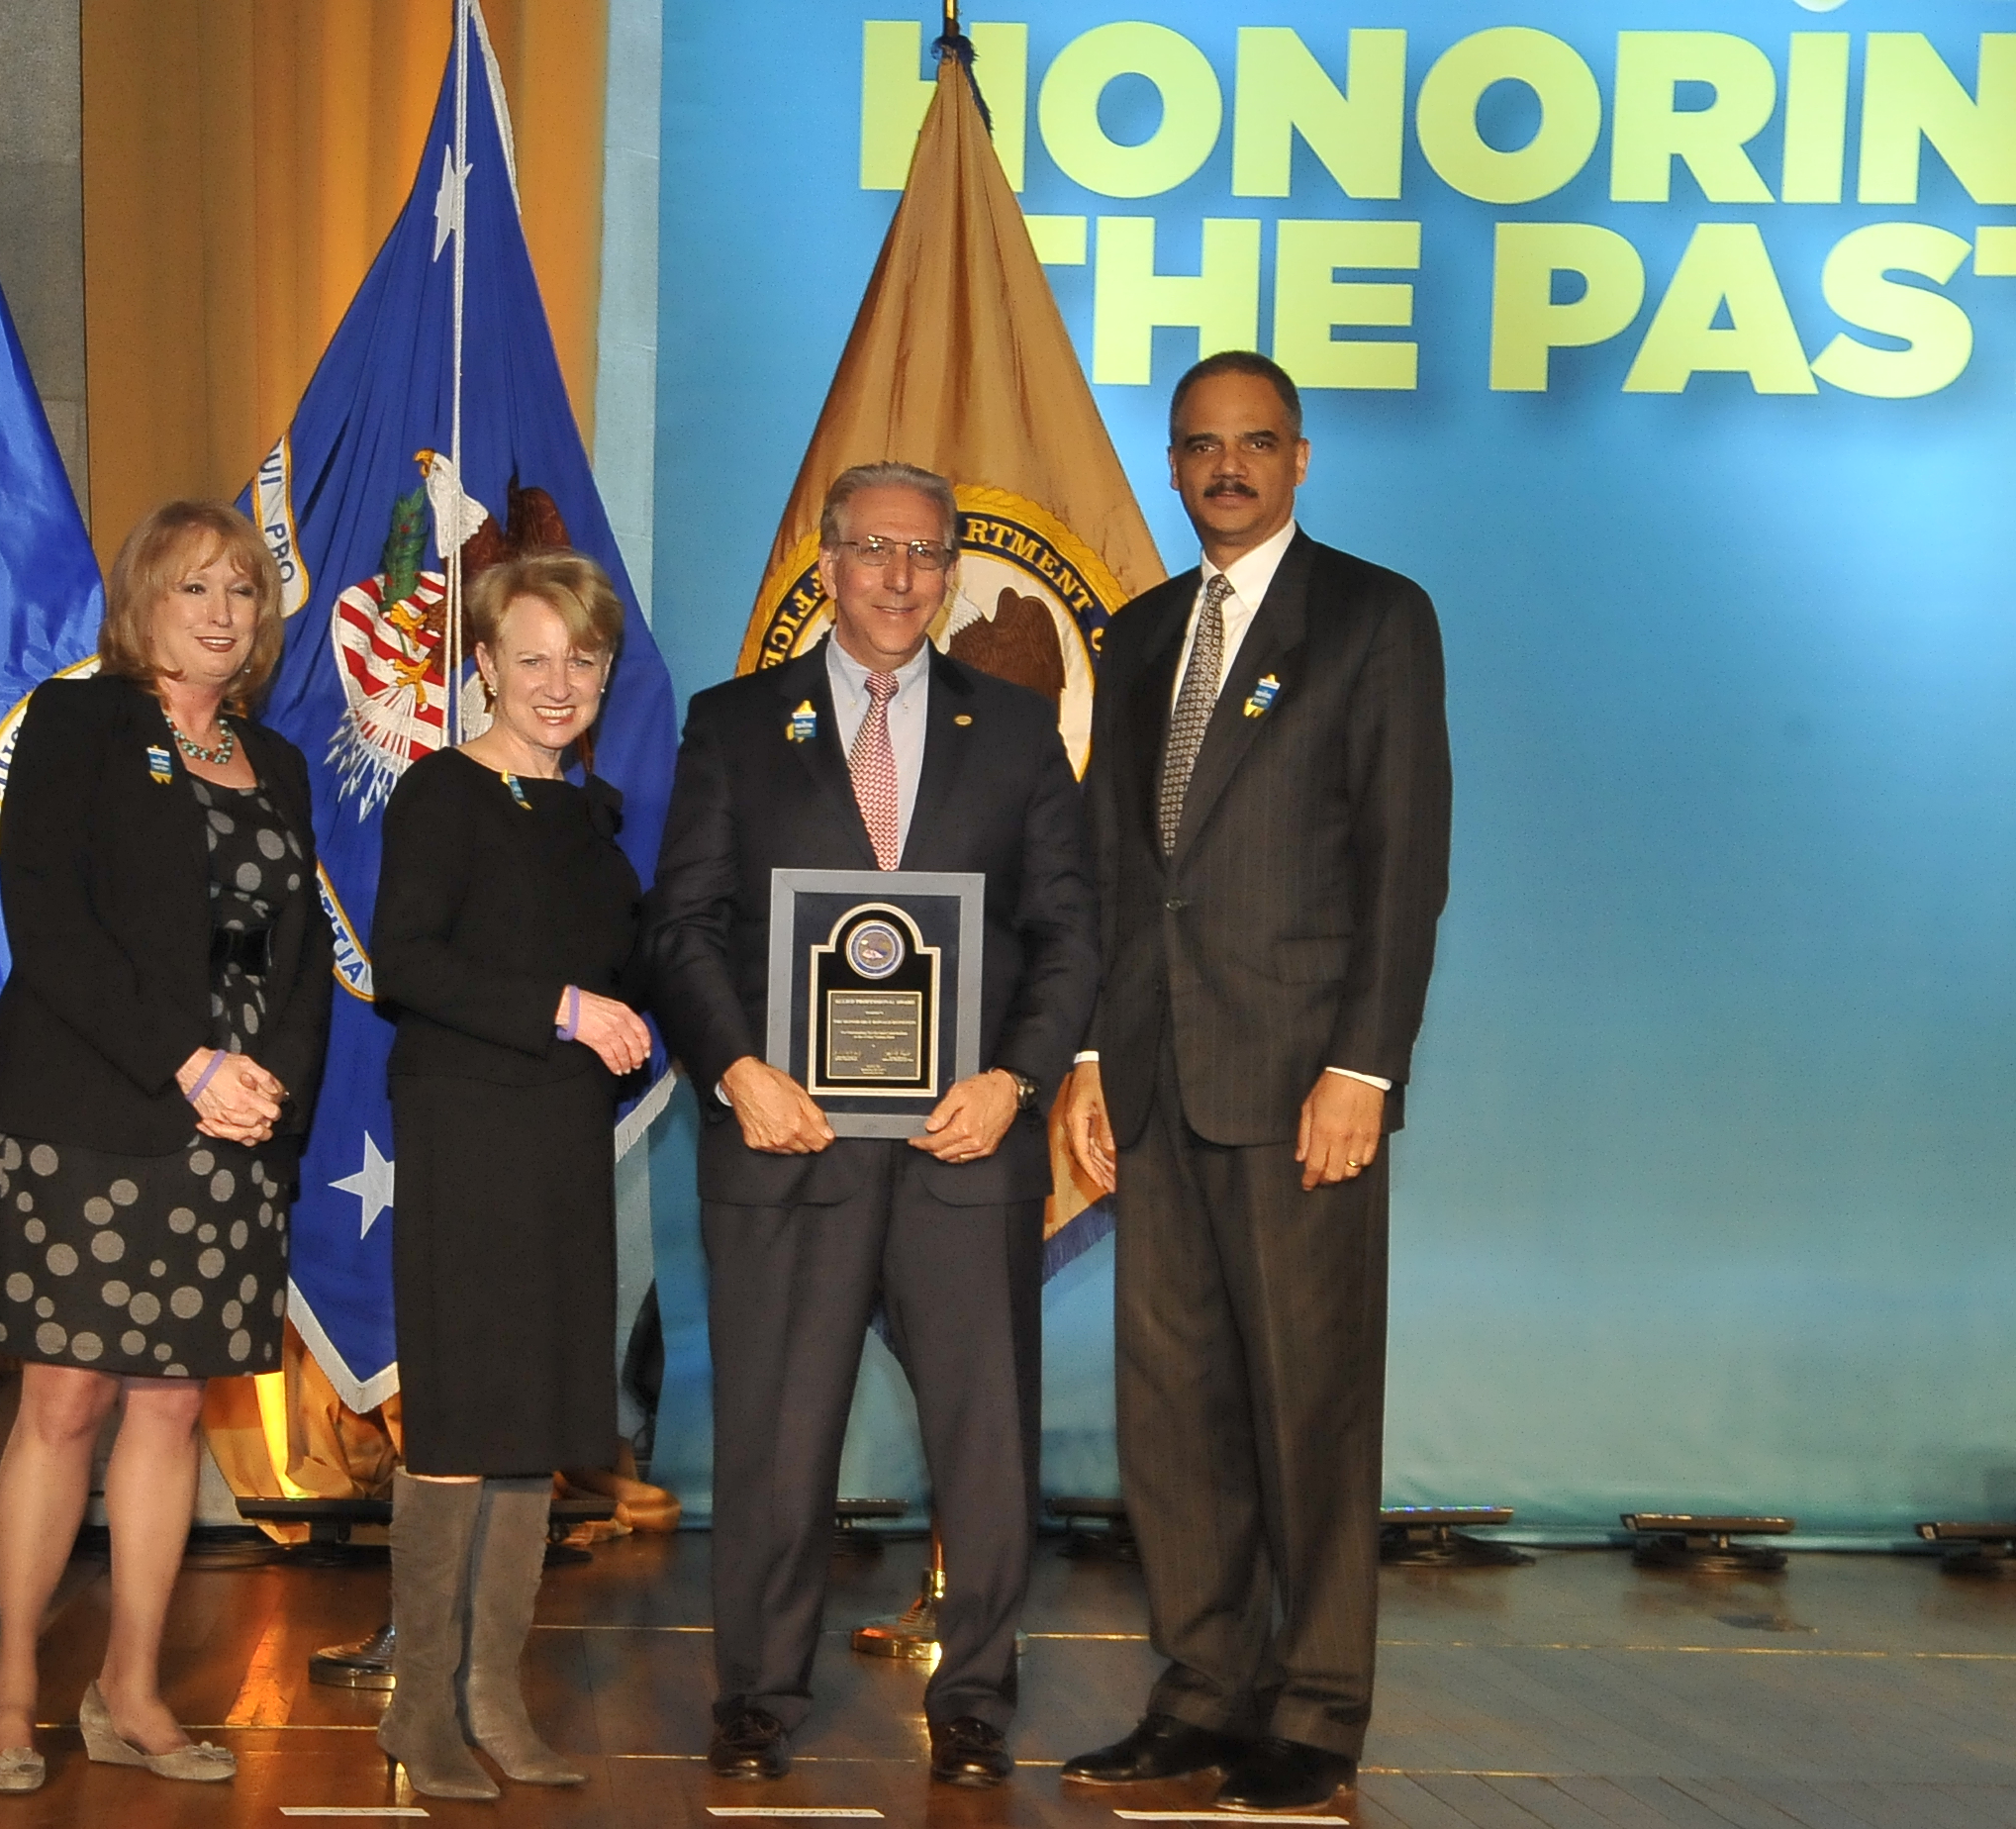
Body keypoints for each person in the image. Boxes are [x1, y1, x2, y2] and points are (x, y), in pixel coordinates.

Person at [640, 462, 1096, 1789]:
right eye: (872, 551)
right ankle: (761, 1693)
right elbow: (682, 928)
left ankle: (978, 1699)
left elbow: (1070, 935)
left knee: (987, 1436)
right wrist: (738, 1071)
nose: (899, 577)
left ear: (951, 574)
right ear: (826, 565)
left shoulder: (1015, 729)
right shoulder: (734, 727)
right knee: (778, 1435)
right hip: (789, 1147)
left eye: (925, 555)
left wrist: (1013, 1080)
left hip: (968, 1145)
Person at [1058, 351, 1451, 1814]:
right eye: (1200, 446)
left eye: (1254, 444)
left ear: (1301, 458)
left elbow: (1402, 868)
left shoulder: (1375, 617)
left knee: (1309, 1408)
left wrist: (1364, 1066)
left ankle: (1317, 1708)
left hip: (1304, 1089)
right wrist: (1093, 1054)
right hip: (1157, 1081)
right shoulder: (1144, 628)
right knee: (1176, 1413)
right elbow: (1117, 868)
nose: (1226, 467)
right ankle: (1204, 1691)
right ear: (1172, 466)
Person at [0, 500, 333, 1792]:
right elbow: (48, 923)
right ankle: (12, 1688)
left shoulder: (274, 763)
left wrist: (265, 1091)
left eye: (241, 591)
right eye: (193, 591)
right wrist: (188, 1064)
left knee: (172, 1407)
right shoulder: (81, 725)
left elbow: (301, 960)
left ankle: (131, 1686)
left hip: (232, 1132)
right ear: (141, 605)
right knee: (65, 1400)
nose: (222, 613)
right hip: (91, 1111)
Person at [368, 551, 652, 1800]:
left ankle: (495, 1698)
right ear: (480, 664)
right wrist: (565, 1008)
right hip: (468, 1137)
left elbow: (644, 979)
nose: (558, 682)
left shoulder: (593, 817)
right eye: (530, 657)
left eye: (581, 660)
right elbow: (405, 965)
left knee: (534, 1427)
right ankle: (419, 1707)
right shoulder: (440, 794)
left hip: (560, 1145)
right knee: (461, 1422)